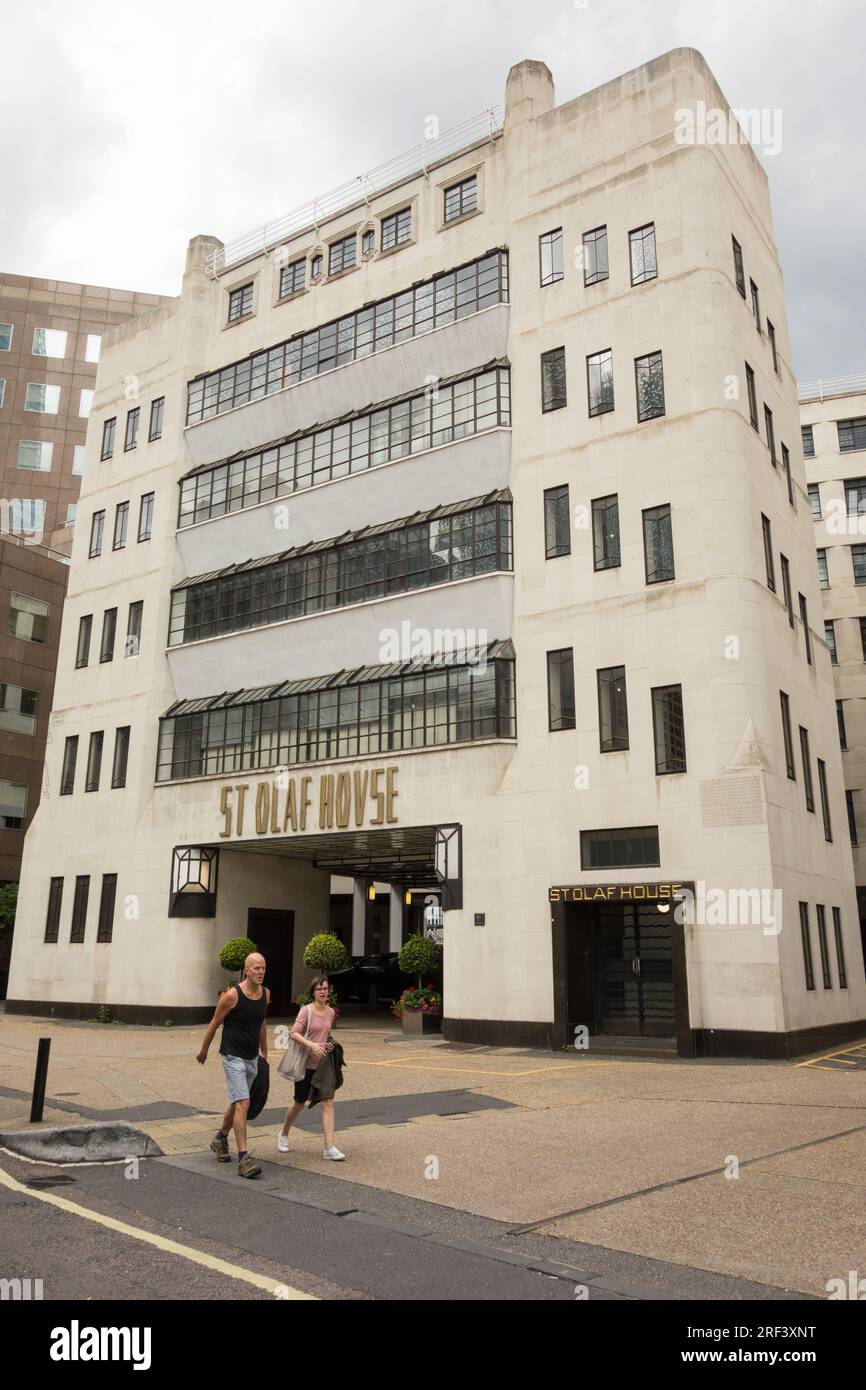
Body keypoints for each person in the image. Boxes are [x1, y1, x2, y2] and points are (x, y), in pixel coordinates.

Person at [196, 951, 269, 1178]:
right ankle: (244, 1159)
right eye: (256, 968)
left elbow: (262, 1023)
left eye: (263, 968)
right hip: (232, 1055)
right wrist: (204, 1050)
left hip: (251, 1056)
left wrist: (264, 1051)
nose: (260, 972)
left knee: (238, 1101)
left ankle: (220, 1139)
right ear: (246, 970)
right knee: (243, 1103)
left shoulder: (265, 994)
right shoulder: (232, 996)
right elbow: (215, 1022)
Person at [278, 975, 345, 1160]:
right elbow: (294, 1034)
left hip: (323, 1065)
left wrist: (329, 1044)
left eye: (325, 988)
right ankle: (283, 1134)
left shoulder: (331, 1012)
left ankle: (329, 1147)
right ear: (313, 992)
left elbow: (326, 1034)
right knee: (299, 1102)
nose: (323, 992)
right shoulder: (306, 1011)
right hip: (305, 1065)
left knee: (328, 1102)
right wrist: (312, 1045)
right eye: (319, 989)